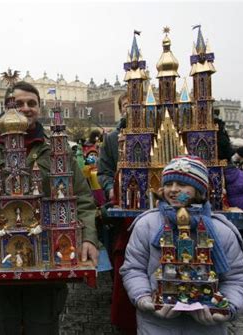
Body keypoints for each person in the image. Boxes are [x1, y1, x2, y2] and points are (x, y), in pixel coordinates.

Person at [0, 81, 99, 334]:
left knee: (43, 326)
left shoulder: (56, 147)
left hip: (46, 269)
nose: (26, 108)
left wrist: (90, 239)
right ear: (8, 109)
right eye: (19, 103)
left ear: (39, 108)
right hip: (0, 274)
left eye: (32, 103)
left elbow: (83, 198)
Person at [120, 156, 243, 334]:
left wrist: (228, 307)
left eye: (182, 184)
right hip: (156, 325)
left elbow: (235, 278)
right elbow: (133, 268)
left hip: (206, 328)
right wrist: (143, 298)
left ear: (199, 190)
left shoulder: (220, 231)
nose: (173, 190)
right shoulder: (147, 225)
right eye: (168, 183)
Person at [97, 92, 137, 334]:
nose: (129, 109)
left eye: (134, 104)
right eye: (125, 105)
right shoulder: (113, 139)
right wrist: (112, 187)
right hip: (123, 212)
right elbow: (103, 171)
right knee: (121, 261)